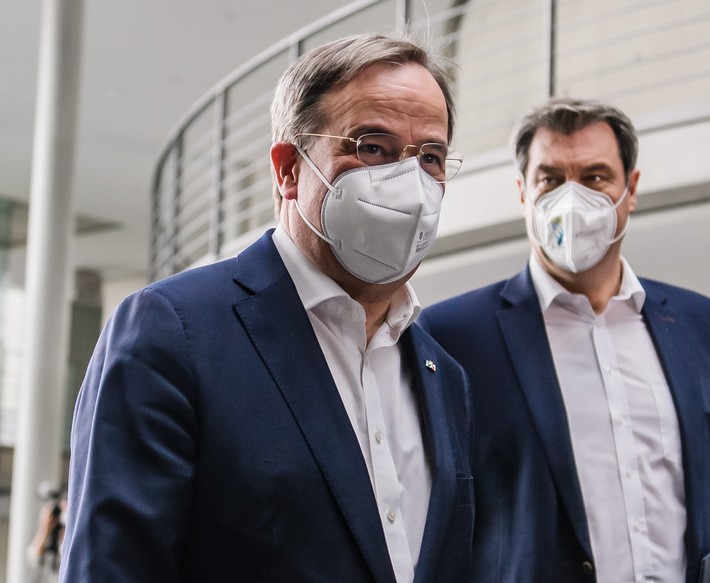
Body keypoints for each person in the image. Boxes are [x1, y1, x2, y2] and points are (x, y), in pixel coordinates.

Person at [61, 33, 473, 583]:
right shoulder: (174, 333)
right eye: (371, 147)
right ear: (288, 169)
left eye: (431, 157)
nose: (408, 182)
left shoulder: (444, 376)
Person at [419, 98, 710, 583]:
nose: (573, 199)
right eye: (551, 179)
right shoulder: (453, 336)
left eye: (596, 177)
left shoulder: (703, 325)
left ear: (632, 189)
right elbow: (434, 524)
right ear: (524, 194)